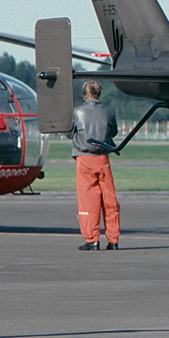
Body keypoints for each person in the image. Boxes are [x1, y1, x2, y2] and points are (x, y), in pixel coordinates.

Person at [71, 80, 120, 251]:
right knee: (109, 200)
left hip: (84, 159)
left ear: (84, 94)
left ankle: (92, 239)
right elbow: (114, 132)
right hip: (103, 158)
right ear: (99, 93)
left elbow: (71, 133)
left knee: (88, 200)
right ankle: (113, 239)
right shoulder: (109, 111)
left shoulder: (77, 112)